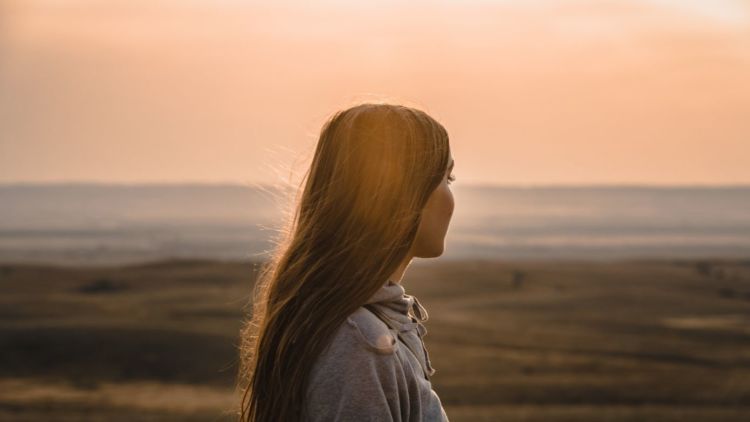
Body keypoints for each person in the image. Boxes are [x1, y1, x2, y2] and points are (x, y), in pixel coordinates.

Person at [237, 102, 455, 421]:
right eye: (446, 179)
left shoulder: (362, 329)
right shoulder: (360, 346)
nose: (451, 197)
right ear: (404, 193)